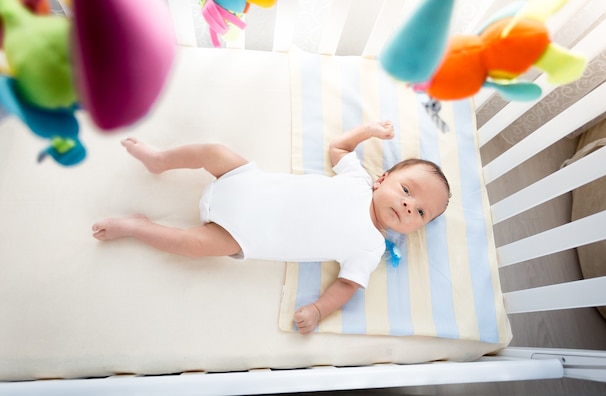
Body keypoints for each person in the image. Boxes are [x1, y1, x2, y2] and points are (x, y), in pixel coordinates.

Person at [92, 121, 451, 335]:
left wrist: (317, 310)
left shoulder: (371, 247)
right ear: (382, 179)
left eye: (420, 212)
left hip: (240, 235)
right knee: (213, 150)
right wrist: (370, 131)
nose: (408, 205)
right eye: (407, 190)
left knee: (192, 246)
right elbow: (339, 146)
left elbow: (346, 286)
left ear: (415, 230)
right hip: (245, 182)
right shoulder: (358, 179)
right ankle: (160, 160)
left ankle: (138, 228)